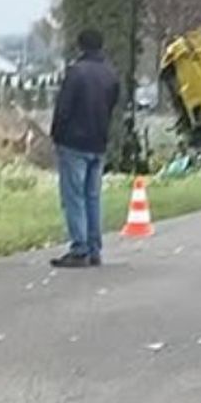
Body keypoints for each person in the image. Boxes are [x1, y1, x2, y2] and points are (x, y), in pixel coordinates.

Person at [50, 29, 121, 268]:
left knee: (74, 196)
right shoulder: (111, 74)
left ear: (80, 46)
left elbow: (63, 109)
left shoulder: (76, 73)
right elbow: (112, 106)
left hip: (73, 142)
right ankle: (94, 248)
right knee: (93, 197)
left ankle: (79, 248)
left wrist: (56, 135)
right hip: (98, 141)